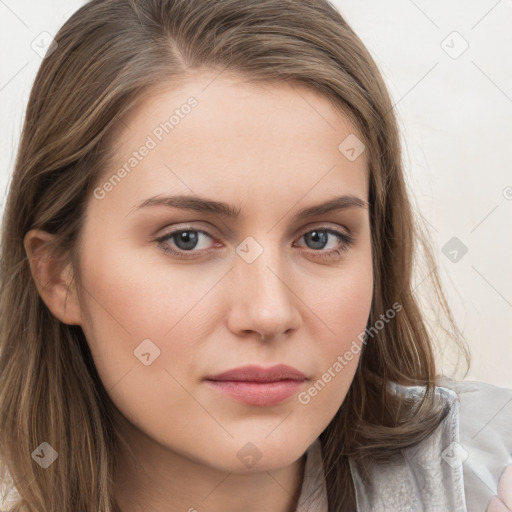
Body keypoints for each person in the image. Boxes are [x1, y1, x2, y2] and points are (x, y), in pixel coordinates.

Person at [0, 0, 510, 511]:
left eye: (320, 238)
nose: (269, 313)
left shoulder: (488, 467)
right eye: (188, 239)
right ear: (57, 274)